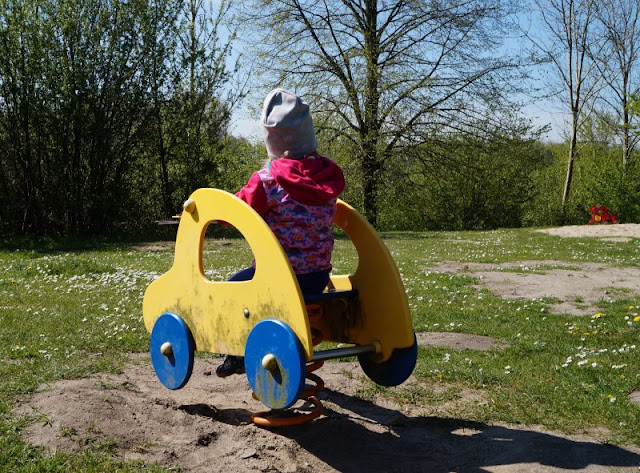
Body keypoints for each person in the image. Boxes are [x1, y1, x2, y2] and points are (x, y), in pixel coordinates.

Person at [216, 88, 345, 377]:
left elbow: (237, 209)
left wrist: (216, 214)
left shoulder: (269, 180)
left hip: (278, 279)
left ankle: (238, 353)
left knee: (230, 290)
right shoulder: (328, 177)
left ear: (273, 138)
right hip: (316, 278)